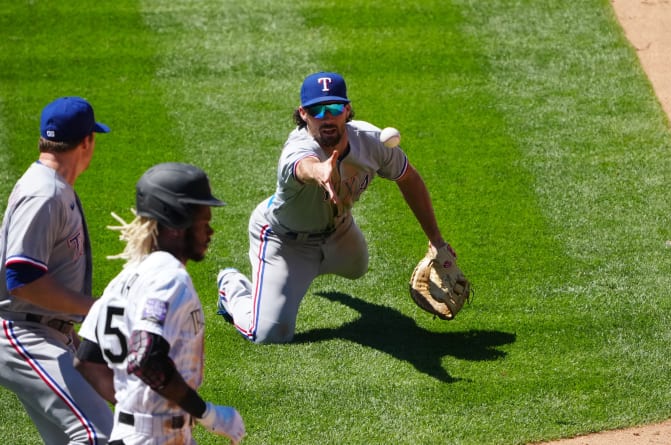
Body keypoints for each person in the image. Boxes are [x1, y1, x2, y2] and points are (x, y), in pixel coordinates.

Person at [216, 71, 456, 344]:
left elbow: (408, 178)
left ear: (347, 110)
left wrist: (437, 241)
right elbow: (304, 167)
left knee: (358, 267)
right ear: (303, 114)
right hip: (285, 242)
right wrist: (320, 171)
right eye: (317, 110)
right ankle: (231, 287)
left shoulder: (372, 141)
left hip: (339, 235)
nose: (326, 116)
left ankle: (306, 273)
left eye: (334, 107)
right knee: (268, 334)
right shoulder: (296, 149)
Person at [74, 162, 246, 445]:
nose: (210, 232)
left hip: (135, 434)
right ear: (177, 225)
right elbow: (146, 357)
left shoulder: (126, 276)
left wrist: (138, 408)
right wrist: (208, 414)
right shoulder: (168, 277)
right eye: (204, 223)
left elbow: (87, 360)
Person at [0, 96, 114, 444]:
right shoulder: (44, 193)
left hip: (45, 332)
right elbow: (21, 280)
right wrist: (93, 307)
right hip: (22, 334)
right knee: (97, 435)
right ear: (86, 141)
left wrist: (75, 340)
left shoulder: (52, 187)